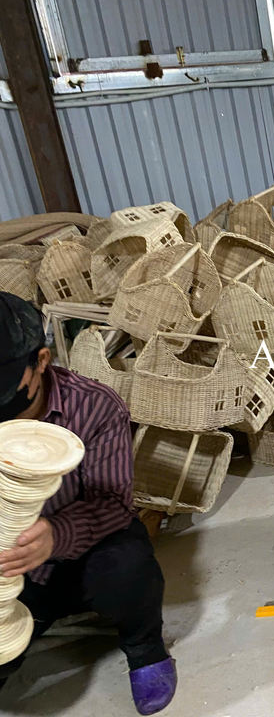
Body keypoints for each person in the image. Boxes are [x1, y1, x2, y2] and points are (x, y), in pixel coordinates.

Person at [0, 292, 176, 715]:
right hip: (11, 562)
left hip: (86, 554)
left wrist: (55, 535)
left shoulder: (94, 405)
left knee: (127, 567)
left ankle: (145, 648)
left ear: (41, 361)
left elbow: (113, 502)